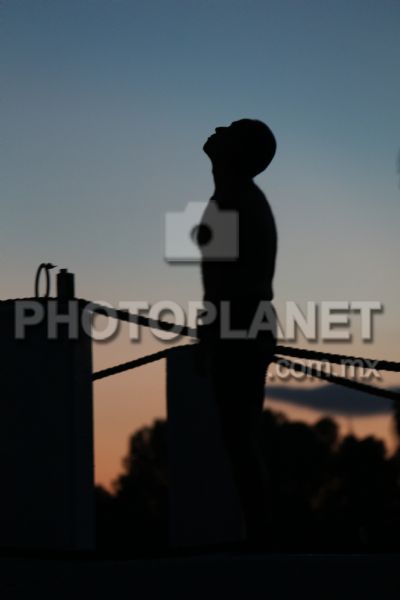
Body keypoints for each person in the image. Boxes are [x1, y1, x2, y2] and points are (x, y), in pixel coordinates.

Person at [195, 118, 278, 544]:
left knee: (239, 439)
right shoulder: (233, 197)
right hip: (243, 325)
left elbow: (226, 282)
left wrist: (211, 331)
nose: (218, 128)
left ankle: (260, 540)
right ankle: (258, 538)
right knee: (239, 438)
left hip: (241, 327)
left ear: (238, 151)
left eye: (230, 129)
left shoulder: (233, 199)